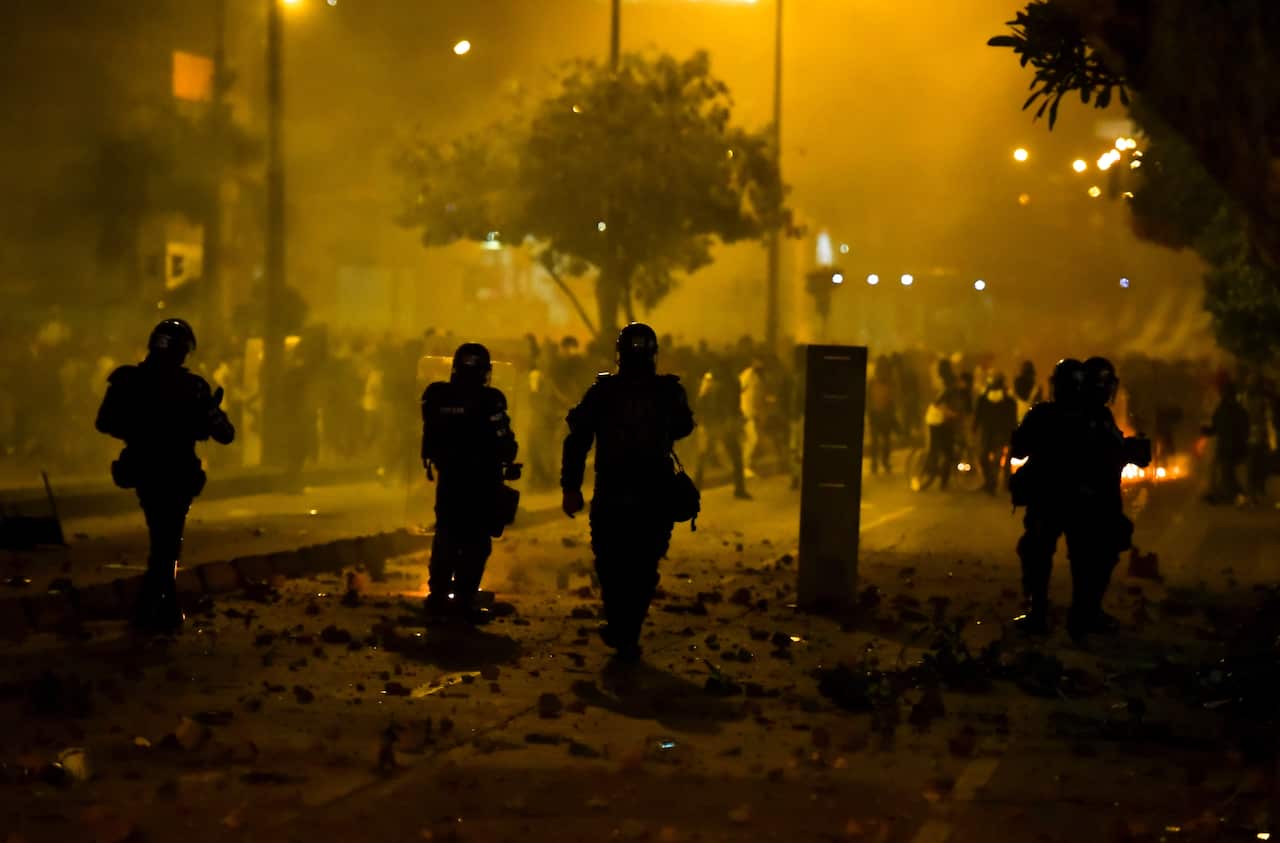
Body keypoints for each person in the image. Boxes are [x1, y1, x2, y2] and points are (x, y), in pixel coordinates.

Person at [561, 323, 695, 662]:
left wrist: (571, 487)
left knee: (612, 561)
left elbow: (577, 441)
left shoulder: (603, 391)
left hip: (615, 490)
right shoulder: (667, 392)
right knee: (642, 563)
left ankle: (622, 627)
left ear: (619, 354)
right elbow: (684, 427)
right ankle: (627, 629)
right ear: (653, 354)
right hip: (652, 491)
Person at [95, 319, 235, 634]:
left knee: (165, 541)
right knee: (166, 541)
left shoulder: (129, 381)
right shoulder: (192, 387)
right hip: (174, 470)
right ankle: (154, 610)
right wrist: (204, 415)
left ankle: (162, 608)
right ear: (183, 351)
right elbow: (226, 434)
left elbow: (105, 423)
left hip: (146, 470)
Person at [421, 343, 519, 622]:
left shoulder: (437, 396)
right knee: (476, 541)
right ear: (485, 371)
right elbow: (503, 439)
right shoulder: (491, 400)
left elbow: (431, 435)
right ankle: (463, 599)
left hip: (449, 479)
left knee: (446, 536)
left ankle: (438, 595)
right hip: (481, 481)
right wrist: (509, 459)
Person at [694, 358, 750, 499]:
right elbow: (733, 404)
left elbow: (700, 401)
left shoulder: (709, 381)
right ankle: (739, 489)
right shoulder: (732, 381)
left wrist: (702, 422)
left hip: (711, 424)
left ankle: (694, 489)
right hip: (724, 424)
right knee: (736, 456)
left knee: (703, 458)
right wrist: (736, 419)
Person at [1202, 378, 1249, 505]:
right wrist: (1207, 431)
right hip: (1228, 447)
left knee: (1227, 474)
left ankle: (1239, 496)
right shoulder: (1227, 409)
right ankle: (1226, 495)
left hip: (1232, 448)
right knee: (1225, 473)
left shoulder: (1232, 410)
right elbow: (1217, 427)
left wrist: (1208, 431)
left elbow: (1242, 428)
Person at [973, 372, 1018, 495]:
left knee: (990, 459)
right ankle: (990, 483)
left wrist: (975, 428)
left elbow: (977, 416)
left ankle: (991, 484)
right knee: (988, 459)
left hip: (997, 433)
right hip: (993, 433)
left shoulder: (988, 398)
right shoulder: (1007, 400)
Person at [867, 357, 898, 476]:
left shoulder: (873, 381)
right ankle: (883, 462)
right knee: (885, 441)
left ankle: (875, 463)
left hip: (876, 414)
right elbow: (893, 399)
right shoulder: (890, 381)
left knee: (876, 441)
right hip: (883, 414)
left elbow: (869, 398)